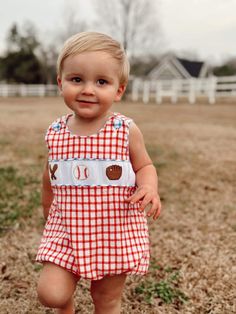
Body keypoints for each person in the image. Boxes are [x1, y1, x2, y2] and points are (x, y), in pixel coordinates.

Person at [36, 31, 161, 314]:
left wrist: (149, 187)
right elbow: (49, 178)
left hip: (113, 231)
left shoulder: (124, 130)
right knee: (51, 293)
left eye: (101, 82)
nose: (88, 89)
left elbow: (145, 166)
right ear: (60, 83)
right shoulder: (55, 132)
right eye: (76, 79)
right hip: (66, 229)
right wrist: (48, 216)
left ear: (119, 90)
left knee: (105, 298)